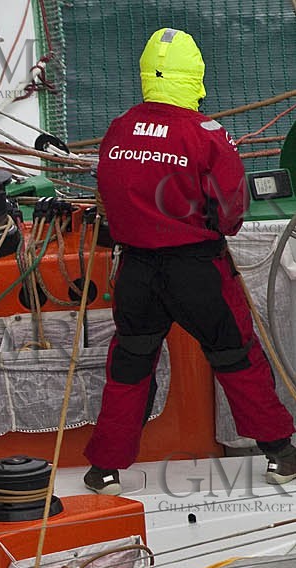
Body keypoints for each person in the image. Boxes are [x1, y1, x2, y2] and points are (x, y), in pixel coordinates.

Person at [84, 27, 296, 494]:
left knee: (130, 366)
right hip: (197, 271)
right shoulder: (206, 136)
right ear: (194, 75)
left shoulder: (119, 128)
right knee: (237, 357)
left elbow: (109, 196)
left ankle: (104, 469)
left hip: (136, 272)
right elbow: (231, 213)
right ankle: (280, 454)